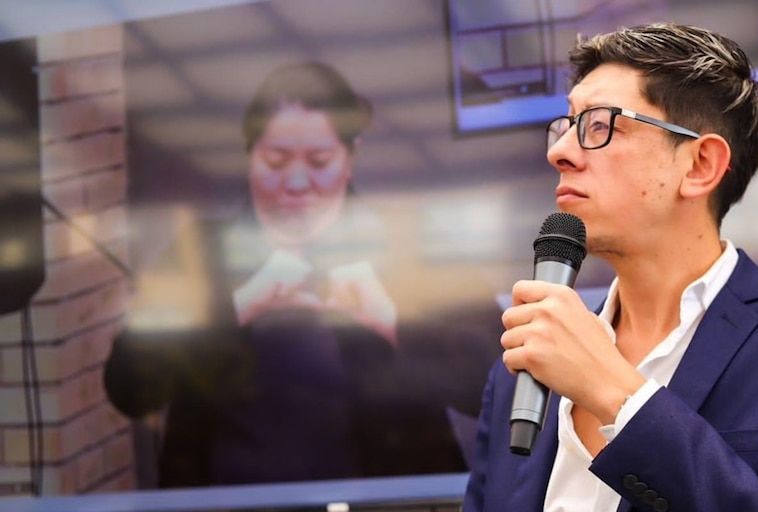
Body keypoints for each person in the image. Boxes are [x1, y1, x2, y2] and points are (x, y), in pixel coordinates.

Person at [464, 24, 758, 511]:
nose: (559, 152)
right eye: (567, 124)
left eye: (599, 125)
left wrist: (614, 393)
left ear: (701, 164)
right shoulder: (523, 366)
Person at [105, 62, 500, 487]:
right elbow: (129, 389)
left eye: (319, 161)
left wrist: (393, 323)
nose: (296, 181)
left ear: (350, 157)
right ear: (250, 156)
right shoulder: (203, 251)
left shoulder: (403, 242)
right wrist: (233, 309)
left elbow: (498, 382)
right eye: (275, 161)